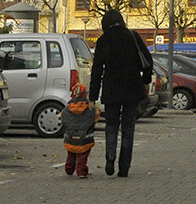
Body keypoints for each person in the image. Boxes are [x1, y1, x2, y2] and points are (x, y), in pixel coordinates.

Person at [89, 9, 153, 178]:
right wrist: (145, 81)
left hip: (111, 89)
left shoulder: (103, 41)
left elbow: (97, 70)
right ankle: (124, 167)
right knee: (128, 126)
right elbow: (148, 60)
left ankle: (110, 157)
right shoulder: (133, 36)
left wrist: (92, 97)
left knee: (111, 125)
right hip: (132, 89)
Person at [61, 83, 100, 178]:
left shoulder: (67, 109)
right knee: (83, 155)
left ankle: (69, 169)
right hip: (85, 137)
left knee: (71, 153)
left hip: (70, 137)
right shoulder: (89, 109)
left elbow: (62, 117)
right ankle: (81, 171)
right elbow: (95, 117)